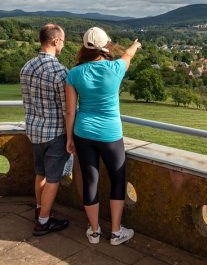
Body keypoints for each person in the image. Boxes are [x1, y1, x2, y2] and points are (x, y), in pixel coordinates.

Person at [65, 27, 141, 245]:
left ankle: (95, 231)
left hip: (83, 133)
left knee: (91, 180)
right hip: (110, 134)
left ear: (85, 47)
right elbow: (128, 55)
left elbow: (70, 111)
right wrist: (135, 45)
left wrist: (69, 138)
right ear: (106, 45)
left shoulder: (74, 73)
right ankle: (116, 232)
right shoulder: (115, 68)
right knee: (118, 179)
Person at [20, 23, 70, 236]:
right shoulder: (60, 72)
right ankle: (43, 222)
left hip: (34, 131)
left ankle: (41, 210)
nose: (63, 45)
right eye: (63, 41)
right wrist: (71, 137)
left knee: (39, 173)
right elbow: (67, 109)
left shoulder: (26, 67)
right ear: (55, 41)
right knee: (53, 179)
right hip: (55, 133)